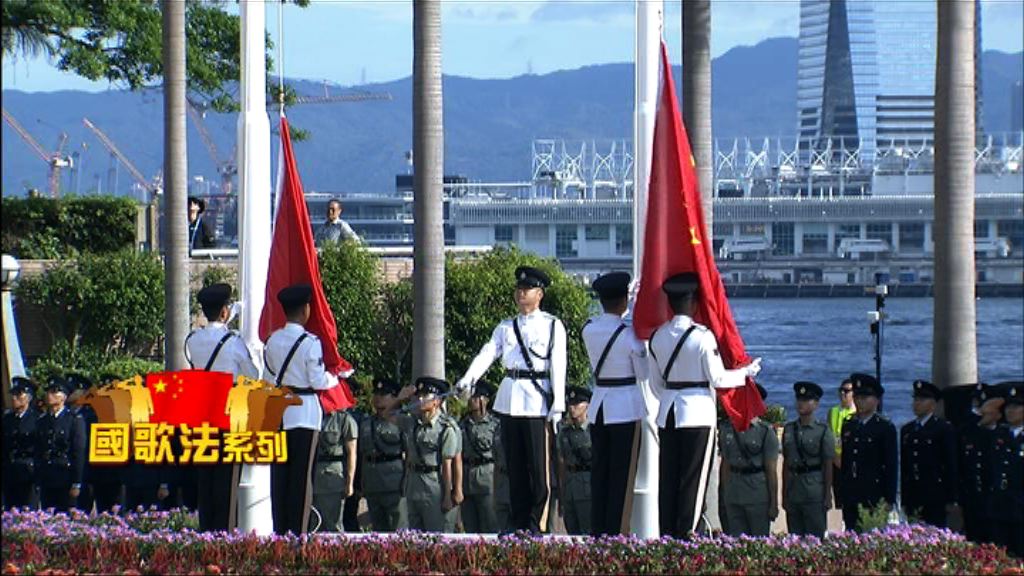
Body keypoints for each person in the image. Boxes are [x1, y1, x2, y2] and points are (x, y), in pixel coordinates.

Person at [648, 272, 761, 539]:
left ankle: (668, 534)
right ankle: (687, 532)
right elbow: (718, 378)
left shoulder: (658, 337)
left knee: (669, 478)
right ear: (695, 303)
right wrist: (746, 373)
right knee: (693, 480)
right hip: (697, 412)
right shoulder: (702, 336)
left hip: (668, 412)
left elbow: (655, 384)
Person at [456, 266, 567, 534]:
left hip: (537, 399)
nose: (520, 294)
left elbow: (558, 365)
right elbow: (488, 353)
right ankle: (518, 523)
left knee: (539, 471)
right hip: (511, 397)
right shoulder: (506, 327)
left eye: (526, 289)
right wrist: (469, 378)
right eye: (518, 289)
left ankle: (536, 523)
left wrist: (559, 404)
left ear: (539, 294)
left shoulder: (552, 325)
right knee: (514, 467)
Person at [264, 283, 341, 535]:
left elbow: (267, 379)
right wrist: (337, 378)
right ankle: (298, 535)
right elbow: (318, 381)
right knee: (301, 479)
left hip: (280, 414)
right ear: (305, 310)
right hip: (305, 415)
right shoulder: (310, 342)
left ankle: (280, 532)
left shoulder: (273, 340)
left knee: (280, 480)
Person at [186, 283, 260, 531]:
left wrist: (229, 319)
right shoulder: (233, 341)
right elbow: (253, 373)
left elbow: (211, 336)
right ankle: (224, 538)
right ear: (225, 312)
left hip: (202, 414)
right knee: (227, 482)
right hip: (228, 415)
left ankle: (206, 533)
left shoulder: (193, 339)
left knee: (206, 481)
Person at [581, 271, 649, 536]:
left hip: (599, 405)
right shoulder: (630, 335)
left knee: (600, 474)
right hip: (625, 406)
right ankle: (617, 534)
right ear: (623, 301)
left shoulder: (589, 329)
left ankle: (598, 530)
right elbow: (643, 373)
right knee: (622, 476)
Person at [378, 377, 462, 532]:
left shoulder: (446, 428)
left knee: (437, 538)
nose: (420, 399)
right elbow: (387, 414)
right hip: (414, 484)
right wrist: (400, 398)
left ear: (436, 401)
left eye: (426, 396)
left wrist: (448, 495)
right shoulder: (412, 422)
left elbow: (448, 464)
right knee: (416, 539)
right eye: (419, 395)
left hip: (435, 486)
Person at [839, 373, 898, 533]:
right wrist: (841, 494)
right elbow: (845, 462)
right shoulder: (849, 425)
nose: (860, 401)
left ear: (876, 400)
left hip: (873, 494)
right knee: (851, 536)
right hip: (852, 494)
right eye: (857, 396)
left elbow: (891, 465)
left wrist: (889, 499)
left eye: (865, 397)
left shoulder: (884, 428)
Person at [719, 384, 778, 537]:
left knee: (759, 541)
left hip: (757, 495)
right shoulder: (727, 429)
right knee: (735, 542)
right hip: (734, 493)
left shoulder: (765, 432)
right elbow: (725, 464)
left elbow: (771, 470)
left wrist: (773, 503)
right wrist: (724, 496)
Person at [899, 380, 958, 528]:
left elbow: (951, 464)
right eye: (915, 399)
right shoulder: (908, 430)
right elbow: (906, 467)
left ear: (933, 404)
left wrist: (952, 498)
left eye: (922, 400)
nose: (916, 403)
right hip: (914, 494)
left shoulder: (943, 429)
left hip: (935, 494)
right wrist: (904, 499)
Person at [781, 381, 835, 538]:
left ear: (816, 404)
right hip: (794, 491)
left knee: (815, 539)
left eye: (806, 400)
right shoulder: (789, 429)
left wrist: (827, 495)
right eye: (799, 399)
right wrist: (784, 494)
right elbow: (786, 462)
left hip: (814, 492)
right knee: (794, 538)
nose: (801, 403)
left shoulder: (822, 430)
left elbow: (827, 465)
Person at [359, 378, 408, 532]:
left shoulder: (401, 421)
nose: (378, 398)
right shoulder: (366, 423)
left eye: (384, 394)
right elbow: (363, 455)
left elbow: (409, 455)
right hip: (373, 484)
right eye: (376, 394)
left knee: (398, 532)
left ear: (394, 398)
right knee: (378, 532)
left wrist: (406, 483)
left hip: (394, 484)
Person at [34, 376, 87, 512]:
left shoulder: (73, 420)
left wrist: (77, 482)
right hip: (47, 476)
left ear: (63, 397)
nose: (49, 395)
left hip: (65, 477)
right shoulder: (42, 421)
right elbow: (39, 450)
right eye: (48, 392)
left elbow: (78, 452)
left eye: (54, 392)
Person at [958, 384, 1000, 544]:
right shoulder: (967, 433)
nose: (978, 413)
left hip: (996, 500)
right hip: (972, 498)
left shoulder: (1001, 435)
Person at [460, 381, 502, 533]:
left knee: (490, 527)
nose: (471, 400)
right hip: (466, 479)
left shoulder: (495, 424)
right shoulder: (462, 424)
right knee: (470, 529)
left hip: (487, 479)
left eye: (475, 397)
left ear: (484, 400)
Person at [310, 404, 358, 533]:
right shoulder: (311, 414)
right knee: (313, 525)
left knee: (333, 525)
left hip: (332, 478)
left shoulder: (343, 419)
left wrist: (350, 483)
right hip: (312, 477)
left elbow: (352, 453)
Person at [989, 381, 1023, 558]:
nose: (1010, 411)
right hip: (1000, 509)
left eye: (1016, 406)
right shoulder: (998, 436)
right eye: (1008, 406)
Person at [557, 386, 593, 535]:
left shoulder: (593, 430)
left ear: (587, 406)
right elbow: (561, 462)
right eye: (570, 404)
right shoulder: (564, 432)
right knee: (572, 533)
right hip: (569, 486)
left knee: (587, 532)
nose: (572, 408)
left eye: (577, 404)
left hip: (587, 487)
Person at [2, 377, 39, 509]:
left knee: (28, 513)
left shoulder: (36, 419)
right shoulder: (7, 419)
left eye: (19, 394)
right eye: (13, 394)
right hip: (9, 473)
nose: (14, 398)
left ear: (28, 397)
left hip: (28, 474)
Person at [827, 377, 855, 509]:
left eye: (847, 391)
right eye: (841, 390)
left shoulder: (856, 413)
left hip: (850, 463)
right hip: (835, 462)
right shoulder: (833, 411)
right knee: (839, 502)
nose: (843, 393)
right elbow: (829, 436)